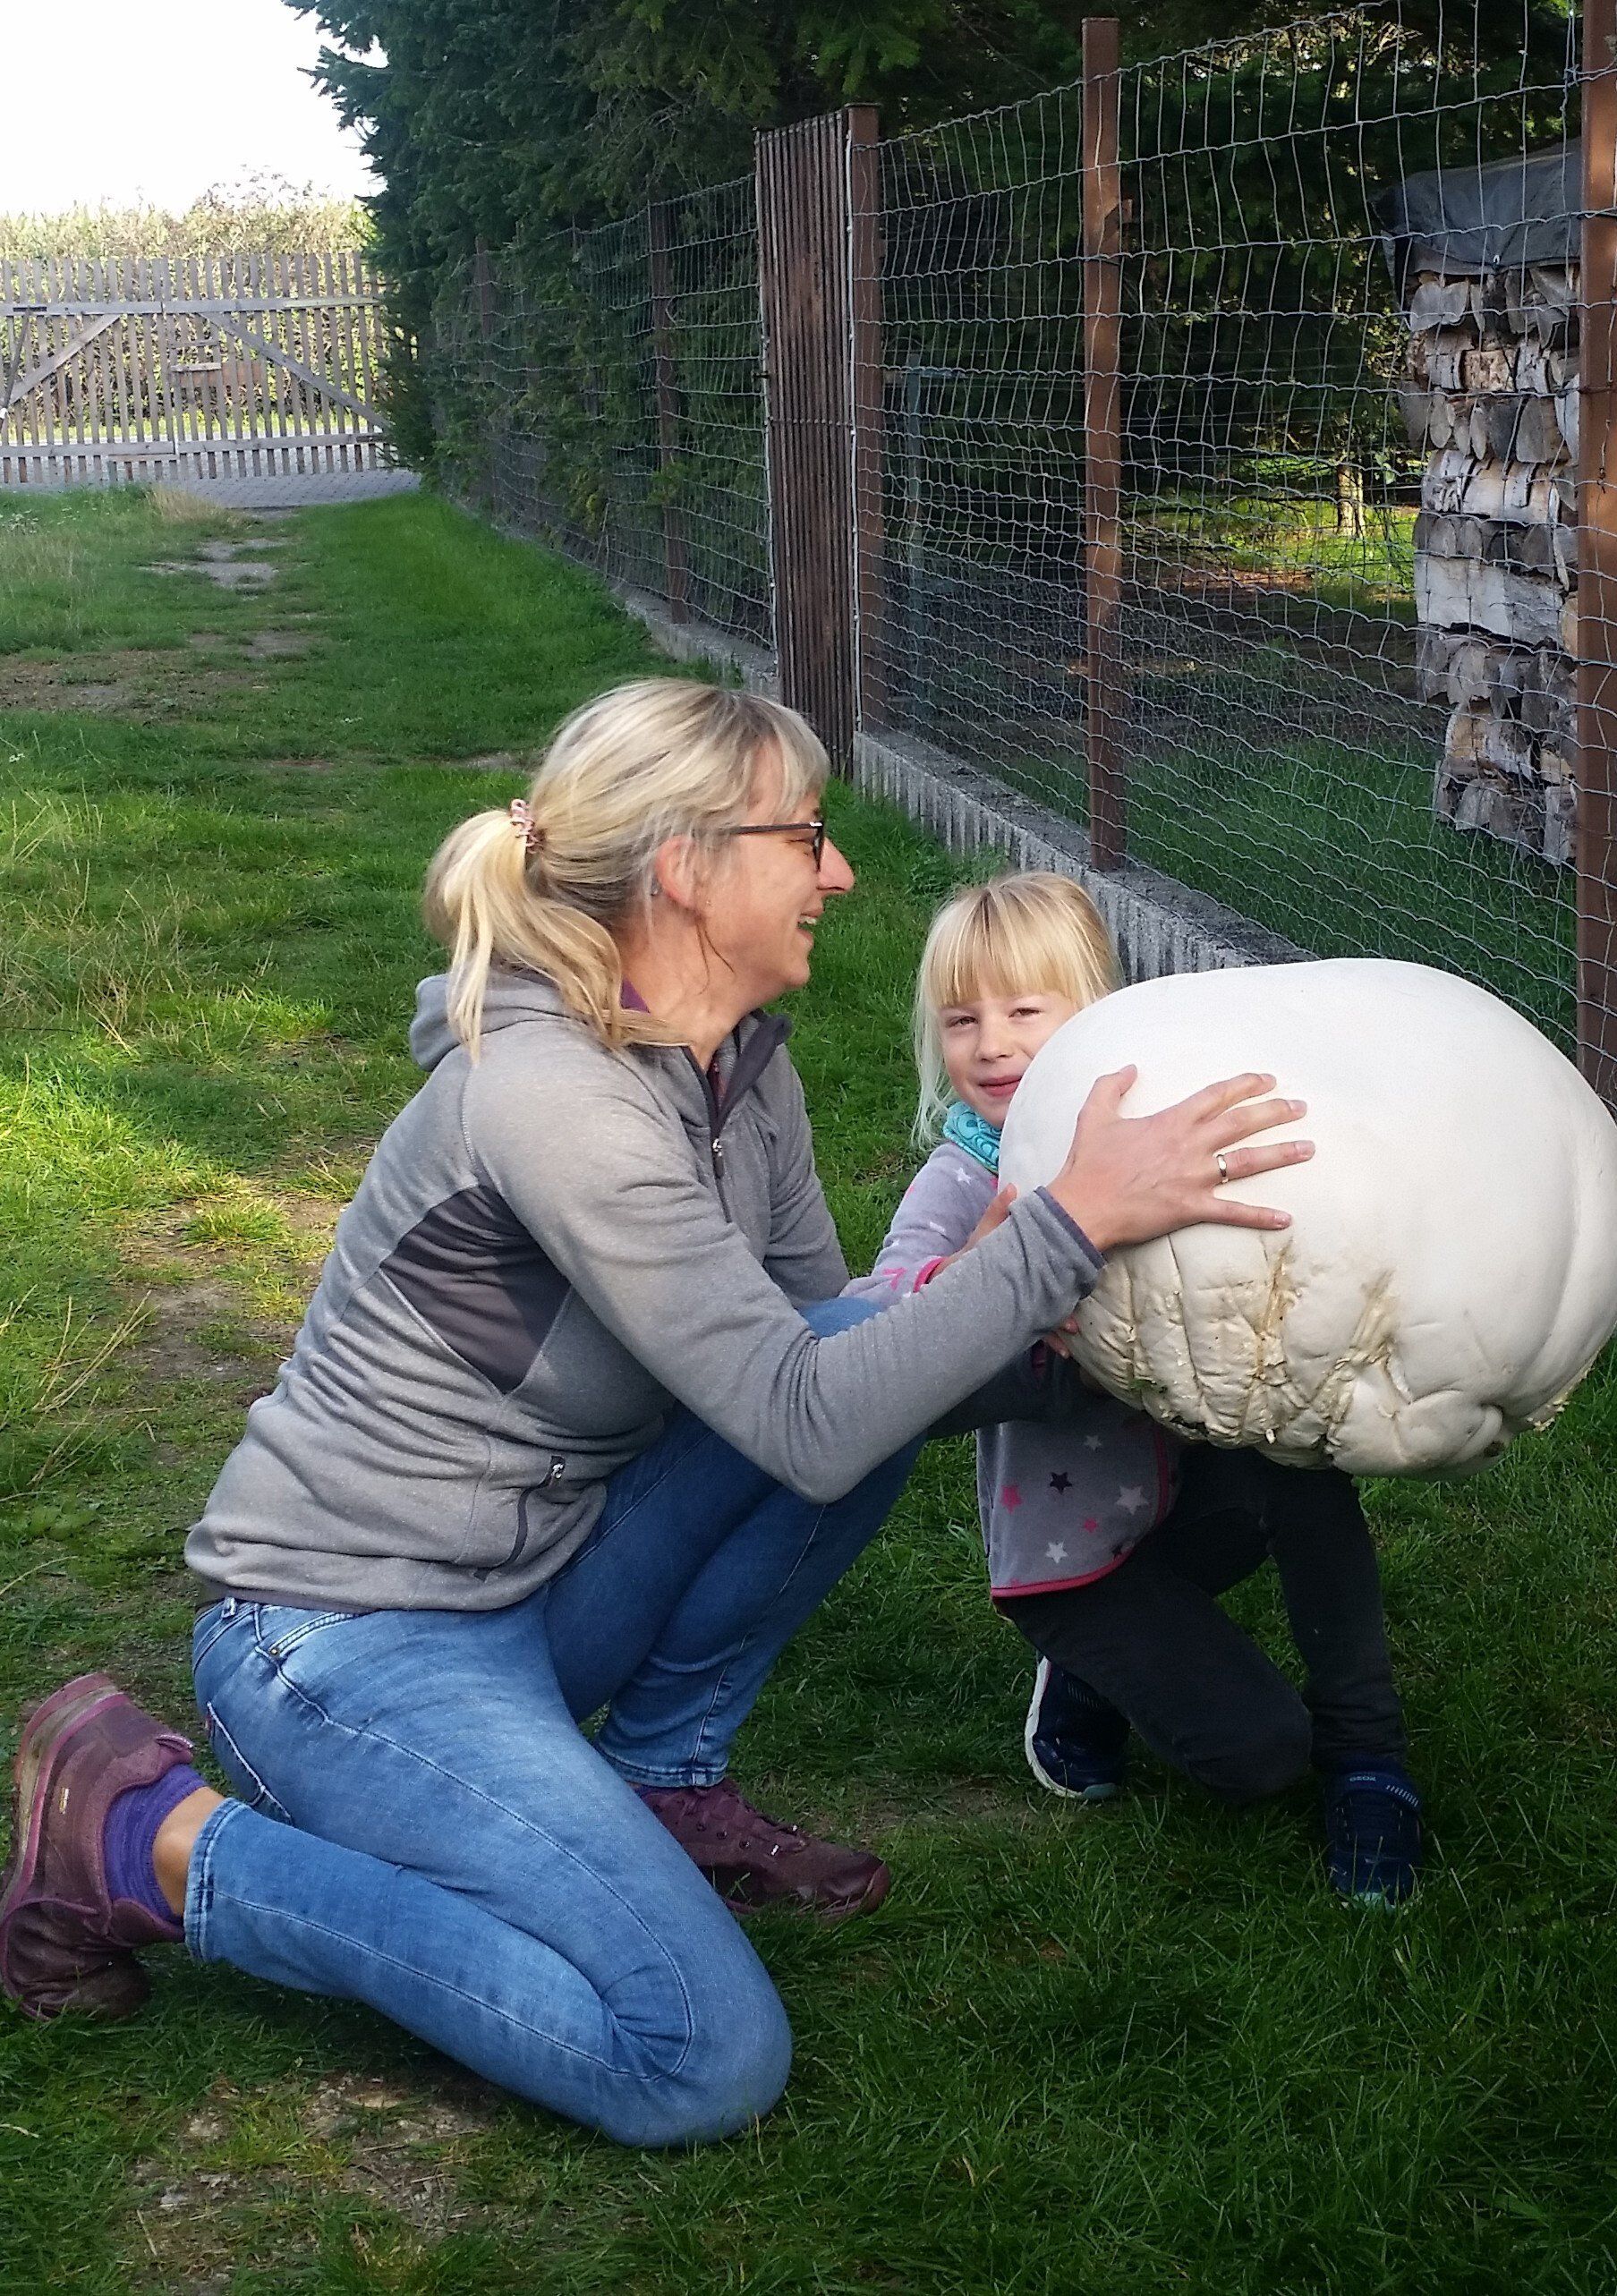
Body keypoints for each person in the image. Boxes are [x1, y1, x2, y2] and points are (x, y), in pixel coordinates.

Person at [0, 684, 1312, 2147]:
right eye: (806, 837)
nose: (841, 873)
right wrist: (1057, 1232)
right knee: (698, 2057)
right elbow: (809, 1418)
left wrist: (1181, 1346)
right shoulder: (557, 1100)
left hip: (535, 1591)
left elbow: (857, 1361)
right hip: (341, 1638)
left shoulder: (741, 1064)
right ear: (688, 868)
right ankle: (148, 1838)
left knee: (861, 1351)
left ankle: (662, 1783)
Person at [847, 872, 1421, 1903]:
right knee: (1254, 1756)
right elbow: (879, 1331)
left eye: (1026, 1011)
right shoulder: (964, 1179)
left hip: (1202, 1498)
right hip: (1071, 1564)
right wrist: (983, 1288)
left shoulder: (1150, 1142)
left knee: (1307, 1465)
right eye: (963, 1018)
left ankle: (1370, 1760)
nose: (991, 1045)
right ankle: (1082, 1674)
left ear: (1098, 1017)